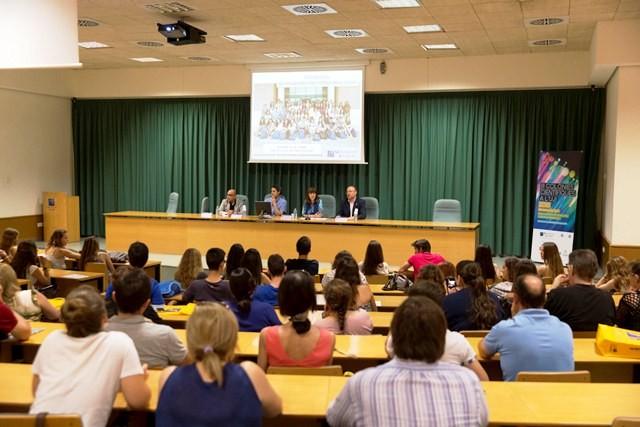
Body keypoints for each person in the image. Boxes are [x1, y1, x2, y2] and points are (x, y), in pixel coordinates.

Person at [326, 296, 488, 427]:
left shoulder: (362, 383)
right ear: (441, 340)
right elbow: (482, 421)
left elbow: (334, 419)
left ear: (394, 337)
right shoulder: (468, 382)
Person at [30, 286, 150, 427]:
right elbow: (138, 402)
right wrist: (139, 380)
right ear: (104, 318)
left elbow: (36, 390)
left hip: (36, 422)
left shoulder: (52, 339)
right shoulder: (119, 342)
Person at [156, 303, 282, 426]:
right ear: (233, 338)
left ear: (190, 337)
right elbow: (274, 410)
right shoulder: (250, 373)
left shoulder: (168, 376)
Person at [385, 279, 489, 381]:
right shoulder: (458, 342)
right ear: (440, 308)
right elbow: (483, 379)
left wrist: (398, 322)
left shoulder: (396, 340)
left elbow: (388, 348)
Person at [478, 274, 573, 381]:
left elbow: (483, 352)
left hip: (518, 391)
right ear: (545, 298)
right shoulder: (565, 329)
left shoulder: (505, 329)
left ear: (516, 299)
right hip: (560, 391)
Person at [106, 268, 189, 368]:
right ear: (146, 303)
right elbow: (188, 362)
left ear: (114, 297)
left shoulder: (98, 333)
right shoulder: (165, 334)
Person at [258, 270, 335, 369]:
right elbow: (328, 376)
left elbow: (260, 374)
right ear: (312, 300)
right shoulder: (329, 338)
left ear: (282, 299)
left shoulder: (266, 335)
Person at [545, 249, 616, 331]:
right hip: (598, 339)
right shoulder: (607, 298)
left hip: (567, 339)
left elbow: (544, 319)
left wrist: (553, 287)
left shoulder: (557, 295)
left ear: (571, 269)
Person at [442, 262, 504, 331]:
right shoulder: (494, 298)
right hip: (492, 337)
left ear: (459, 279)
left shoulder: (449, 301)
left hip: (459, 337)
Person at [105, 241, 164, 308]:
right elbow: (159, 307)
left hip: (119, 313)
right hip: (143, 314)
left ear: (128, 258)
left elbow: (107, 302)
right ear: (146, 259)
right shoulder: (152, 284)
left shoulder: (117, 280)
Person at [228, 267, 281, 332]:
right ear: (252, 286)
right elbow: (281, 332)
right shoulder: (266, 309)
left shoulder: (223, 310)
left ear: (231, 288)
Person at [616, 260, 640, 331]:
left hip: (633, 337)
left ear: (636, 277)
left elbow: (619, 322)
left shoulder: (630, 298)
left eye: (629, 274)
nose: (628, 278)